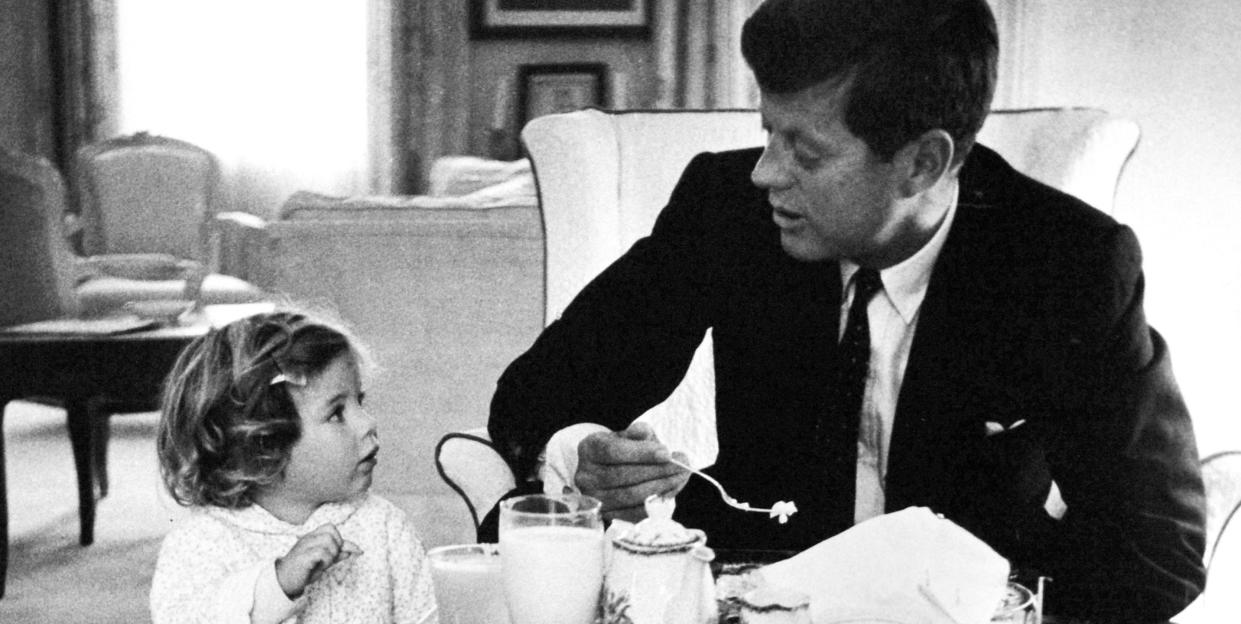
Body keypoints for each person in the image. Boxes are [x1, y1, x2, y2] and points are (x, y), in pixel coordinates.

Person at [487, 0, 1206, 621]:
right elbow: (532, 399)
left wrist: (988, 597)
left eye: (803, 150)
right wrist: (580, 451)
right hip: (747, 591)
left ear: (922, 163)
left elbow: (1156, 554)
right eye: (768, 130)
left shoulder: (1064, 265)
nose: (766, 170)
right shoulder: (728, 209)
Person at [149, 309, 437, 623]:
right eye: (336, 413)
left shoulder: (384, 527)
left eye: (360, 402)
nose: (368, 423)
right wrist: (277, 585)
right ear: (264, 444)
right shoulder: (200, 544)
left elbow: (429, 616)